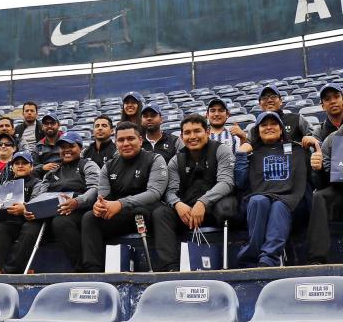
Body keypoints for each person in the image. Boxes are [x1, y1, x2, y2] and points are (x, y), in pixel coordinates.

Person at [153, 114, 238, 272]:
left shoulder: (221, 150)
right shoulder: (176, 160)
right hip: (188, 211)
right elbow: (170, 191)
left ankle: (230, 263)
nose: (192, 136)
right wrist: (178, 204)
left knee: (228, 207)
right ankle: (169, 269)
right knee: (161, 213)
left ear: (207, 132)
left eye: (197, 131)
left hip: (214, 206)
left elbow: (226, 182)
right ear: (181, 136)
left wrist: (203, 202)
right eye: (187, 132)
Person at [81, 122, 168, 273]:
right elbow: (103, 197)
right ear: (116, 143)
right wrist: (99, 206)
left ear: (140, 140)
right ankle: (93, 272)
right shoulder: (108, 166)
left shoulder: (155, 159)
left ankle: (166, 269)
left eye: (130, 139)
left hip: (148, 210)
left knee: (157, 212)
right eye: (121, 140)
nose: (126, 143)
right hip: (120, 213)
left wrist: (120, 204)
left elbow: (154, 193)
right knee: (90, 217)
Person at [11, 132, 100, 273]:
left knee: (61, 222)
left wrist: (76, 202)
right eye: (63, 147)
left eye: (71, 146)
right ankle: (14, 272)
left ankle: (81, 269)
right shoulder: (53, 171)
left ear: (80, 148)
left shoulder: (87, 165)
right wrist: (30, 208)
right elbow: (40, 194)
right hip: (53, 209)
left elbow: (95, 189)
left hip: (78, 209)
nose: (66, 150)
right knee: (30, 225)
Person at [235, 112, 308, 267]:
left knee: (280, 205)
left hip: (290, 200)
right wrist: (241, 154)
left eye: (274, 124)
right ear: (257, 131)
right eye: (264, 124)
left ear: (281, 130)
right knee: (258, 200)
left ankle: (269, 259)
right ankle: (252, 254)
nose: (269, 127)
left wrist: (316, 146)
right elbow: (240, 183)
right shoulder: (251, 151)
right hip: (260, 197)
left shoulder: (297, 149)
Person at [0, 151, 41, 274]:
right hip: (11, 221)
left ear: (31, 166)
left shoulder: (38, 183)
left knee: (29, 227)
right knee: (0, 227)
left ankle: (13, 270)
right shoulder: (5, 185)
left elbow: (38, 204)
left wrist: (25, 208)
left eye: (24, 163)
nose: (20, 166)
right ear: (12, 167)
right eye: (17, 163)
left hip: (31, 220)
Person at [307, 123, 343, 264]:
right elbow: (320, 184)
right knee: (319, 196)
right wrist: (319, 168)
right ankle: (317, 259)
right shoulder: (331, 139)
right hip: (339, 190)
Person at [32, 113, 63, 177]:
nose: (49, 126)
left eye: (52, 123)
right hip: (47, 178)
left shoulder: (67, 141)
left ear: (59, 125)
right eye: (46, 124)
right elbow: (32, 169)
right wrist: (42, 168)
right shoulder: (38, 147)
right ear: (42, 127)